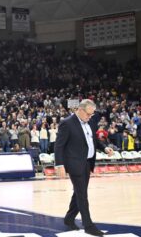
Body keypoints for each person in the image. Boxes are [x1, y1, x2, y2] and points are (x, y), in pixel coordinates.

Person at [54, 99, 114, 236]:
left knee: (79, 192)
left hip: (88, 163)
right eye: (88, 114)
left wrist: (105, 148)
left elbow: (94, 140)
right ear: (80, 110)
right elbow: (59, 146)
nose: (90, 116)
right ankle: (88, 225)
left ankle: (69, 218)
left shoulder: (91, 122)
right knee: (82, 194)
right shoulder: (67, 123)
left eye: (91, 114)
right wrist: (59, 165)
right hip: (74, 163)